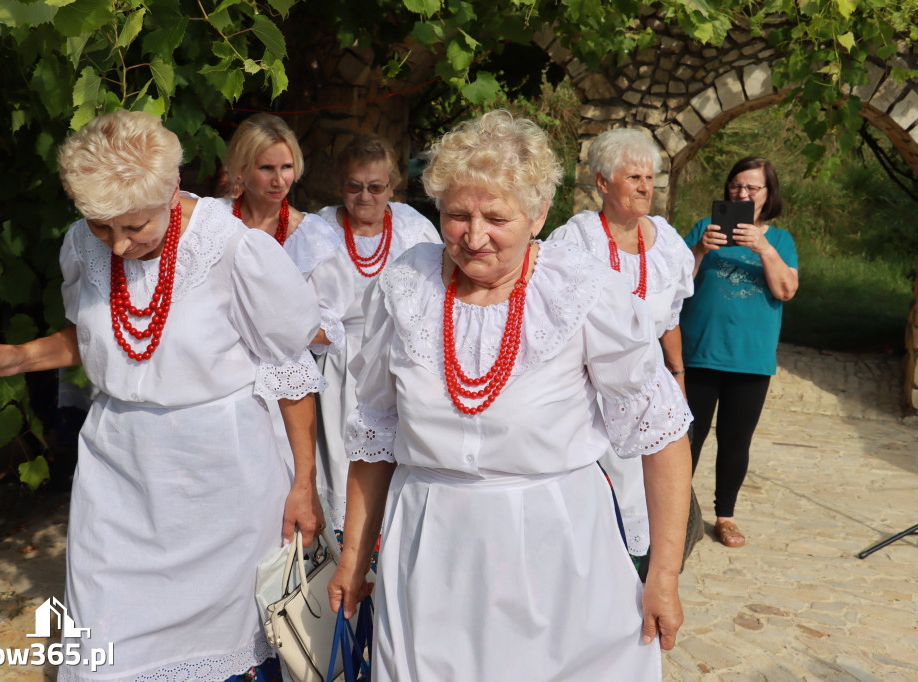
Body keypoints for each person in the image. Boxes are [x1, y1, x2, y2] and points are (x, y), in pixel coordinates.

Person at [0, 110, 325, 681]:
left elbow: (289, 368)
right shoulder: (83, 242)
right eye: (102, 228)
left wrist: (304, 484)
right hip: (118, 473)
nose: (116, 247)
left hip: (223, 484)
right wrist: (10, 356)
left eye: (135, 227)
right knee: (104, 648)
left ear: (173, 192)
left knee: (228, 652)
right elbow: (96, 337)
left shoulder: (234, 248)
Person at [327, 110, 693, 680]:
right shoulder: (404, 289)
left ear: (539, 214)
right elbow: (375, 435)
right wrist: (354, 557)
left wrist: (662, 577)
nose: (473, 238)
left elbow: (662, 433)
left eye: (496, 218)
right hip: (431, 555)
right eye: (455, 216)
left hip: (557, 558)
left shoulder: (582, 292)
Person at [549, 128, 694, 571]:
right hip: (588, 391)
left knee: (648, 503)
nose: (646, 187)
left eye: (650, 178)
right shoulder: (576, 242)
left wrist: (679, 377)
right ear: (602, 183)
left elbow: (668, 319)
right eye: (634, 177)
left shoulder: (666, 243)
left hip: (647, 390)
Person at [287, 133, 439, 532]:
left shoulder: (412, 227)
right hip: (337, 366)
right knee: (341, 459)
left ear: (392, 187)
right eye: (355, 186)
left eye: (376, 187)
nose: (365, 196)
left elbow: (437, 293)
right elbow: (287, 300)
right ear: (342, 187)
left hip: (397, 361)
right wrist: (319, 336)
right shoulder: (317, 229)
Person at [681, 156, 799, 548]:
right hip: (697, 353)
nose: (742, 193)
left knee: (735, 442)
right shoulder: (704, 228)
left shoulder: (780, 241)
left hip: (750, 360)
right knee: (687, 439)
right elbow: (674, 283)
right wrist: (699, 249)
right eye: (736, 185)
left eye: (752, 187)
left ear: (768, 194)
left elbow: (786, 290)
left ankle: (725, 517)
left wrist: (762, 247)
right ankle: (676, 511)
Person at [221, 113, 333, 477]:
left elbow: (330, 327)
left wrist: (277, 324)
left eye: (286, 167)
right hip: (219, 380)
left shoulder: (311, 236)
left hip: (283, 393)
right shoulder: (215, 223)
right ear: (240, 169)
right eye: (266, 167)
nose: (278, 179)